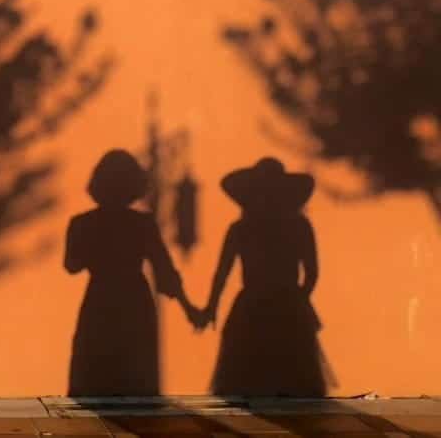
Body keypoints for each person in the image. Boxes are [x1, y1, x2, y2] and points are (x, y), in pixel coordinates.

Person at [65, 149, 200, 396]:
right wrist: (189, 308)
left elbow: (71, 266)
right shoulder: (143, 224)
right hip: (134, 302)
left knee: (95, 377)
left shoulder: (81, 223)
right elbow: (165, 273)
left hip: (100, 300)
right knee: (135, 381)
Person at [202, 157, 331, 396]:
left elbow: (221, 275)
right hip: (287, 306)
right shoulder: (299, 225)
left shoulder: (241, 228)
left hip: (251, 306)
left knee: (245, 380)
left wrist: (211, 308)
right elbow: (312, 273)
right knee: (295, 380)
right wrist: (299, 299)